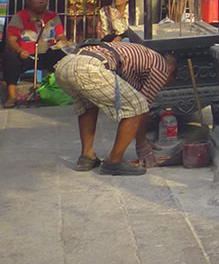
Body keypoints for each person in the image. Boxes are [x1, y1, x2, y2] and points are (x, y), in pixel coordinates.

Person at [52, 40, 176, 175]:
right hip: (88, 66)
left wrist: (142, 137)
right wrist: (142, 145)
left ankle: (87, 156)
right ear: (171, 70)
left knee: (89, 104)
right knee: (138, 104)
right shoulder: (162, 67)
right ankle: (114, 160)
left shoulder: (142, 57)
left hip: (65, 64)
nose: (161, 85)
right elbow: (143, 107)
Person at [3, 0, 65, 106]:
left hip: (46, 55)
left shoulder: (53, 16)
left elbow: (60, 36)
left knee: (62, 55)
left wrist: (62, 42)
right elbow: (11, 39)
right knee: (11, 58)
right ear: (29, 1)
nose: (42, 1)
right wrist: (20, 50)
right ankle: (11, 95)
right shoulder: (19, 16)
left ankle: (58, 91)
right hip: (27, 56)